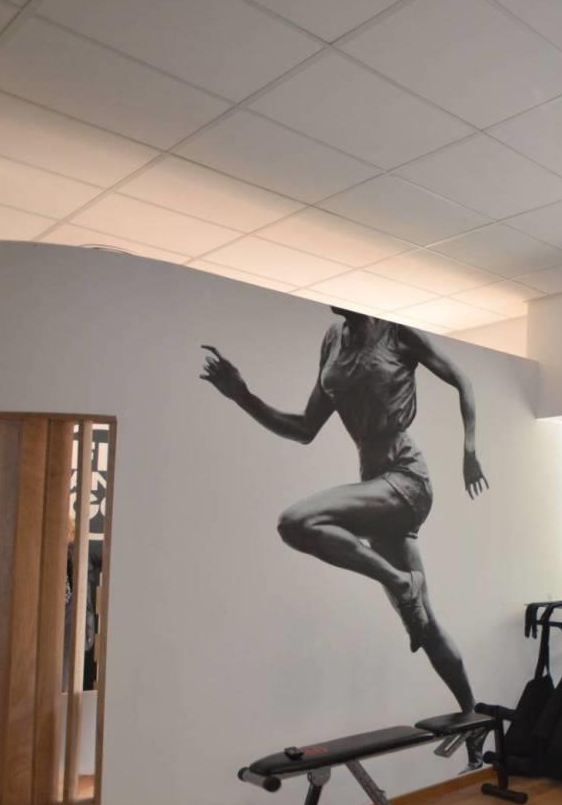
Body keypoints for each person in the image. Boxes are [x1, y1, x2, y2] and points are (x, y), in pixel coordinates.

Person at [200, 308, 488, 759]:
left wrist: (469, 449)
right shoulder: (333, 340)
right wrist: (242, 396)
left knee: (296, 522)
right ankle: (474, 720)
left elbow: (462, 379)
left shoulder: (397, 331)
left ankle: (400, 582)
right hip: (376, 484)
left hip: (405, 478)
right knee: (424, 624)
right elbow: (303, 428)